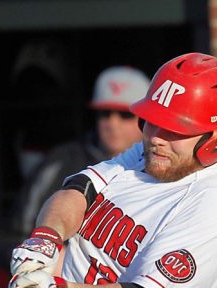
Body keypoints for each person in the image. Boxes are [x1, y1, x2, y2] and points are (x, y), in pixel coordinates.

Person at [8, 52, 217, 288]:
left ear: (215, 139)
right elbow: (80, 189)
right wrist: (46, 238)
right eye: (152, 121)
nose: (156, 137)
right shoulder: (148, 154)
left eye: (174, 129)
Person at [11, 66, 150, 237]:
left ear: (146, 119)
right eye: (105, 114)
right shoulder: (62, 160)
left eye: (125, 115)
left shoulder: (164, 168)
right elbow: (20, 228)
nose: (113, 123)